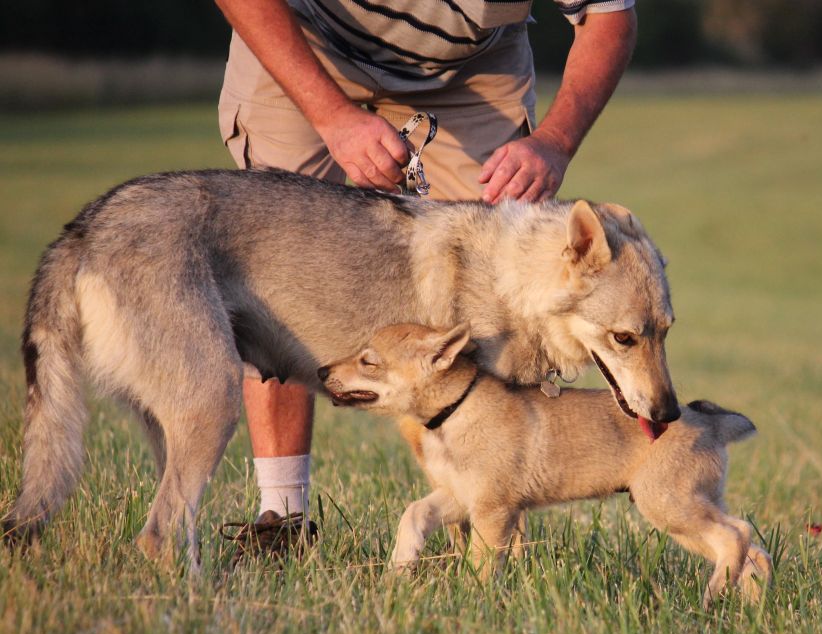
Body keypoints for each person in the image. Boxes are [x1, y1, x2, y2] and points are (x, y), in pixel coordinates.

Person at [214, 0, 637, 538]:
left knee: (491, 298)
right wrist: (333, 117)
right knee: (276, 269)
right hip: (305, 38)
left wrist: (554, 143)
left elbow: (609, 18)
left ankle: (480, 524)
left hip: (470, 69)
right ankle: (282, 519)